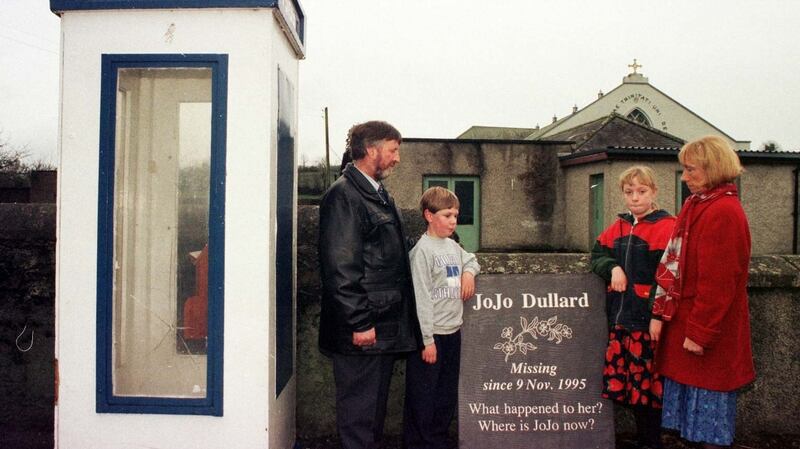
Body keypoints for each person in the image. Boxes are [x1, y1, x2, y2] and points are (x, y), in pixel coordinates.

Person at [318, 120, 422, 449]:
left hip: (382, 326)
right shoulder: (344, 196)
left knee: (372, 414)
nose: (397, 158)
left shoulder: (376, 194)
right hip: (363, 331)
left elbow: (394, 252)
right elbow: (340, 268)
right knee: (359, 418)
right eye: (393, 150)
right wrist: (360, 323)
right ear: (371, 150)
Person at [650, 136, 755, 449]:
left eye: (690, 170)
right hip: (686, 327)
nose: (684, 177)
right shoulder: (698, 204)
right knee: (690, 430)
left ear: (712, 169)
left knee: (708, 429)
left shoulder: (723, 212)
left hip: (706, 336)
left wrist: (700, 333)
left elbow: (719, 283)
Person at [590, 166, 675, 449]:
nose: (635, 198)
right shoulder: (619, 227)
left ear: (654, 193)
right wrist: (612, 267)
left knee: (648, 389)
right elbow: (597, 254)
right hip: (622, 319)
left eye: (642, 191)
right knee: (629, 387)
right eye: (629, 192)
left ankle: (651, 441)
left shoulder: (668, 227)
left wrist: (656, 315)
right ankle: (642, 439)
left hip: (648, 323)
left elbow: (669, 277)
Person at [403, 187, 480, 449]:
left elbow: (471, 260)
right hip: (430, 337)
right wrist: (426, 341)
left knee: (445, 396)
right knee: (423, 397)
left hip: (452, 333)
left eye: (456, 215)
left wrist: (468, 273)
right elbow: (421, 300)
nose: (453, 221)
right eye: (447, 215)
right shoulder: (421, 252)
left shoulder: (452, 246)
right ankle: (419, 443)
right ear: (428, 215)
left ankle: (436, 441)